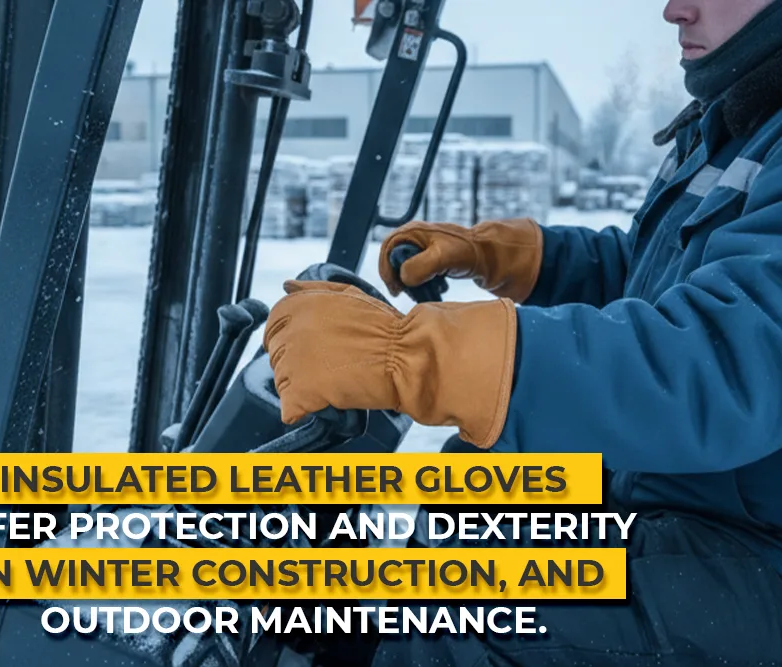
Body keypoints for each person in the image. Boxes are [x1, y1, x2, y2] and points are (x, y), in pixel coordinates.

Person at [264, 0, 782, 664]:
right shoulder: (735, 126)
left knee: (488, 617)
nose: (673, 9)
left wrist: (420, 356)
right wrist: (507, 255)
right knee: (473, 484)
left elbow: (729, 361)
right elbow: (649, 274)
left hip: (749, 544)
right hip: (679, 485)